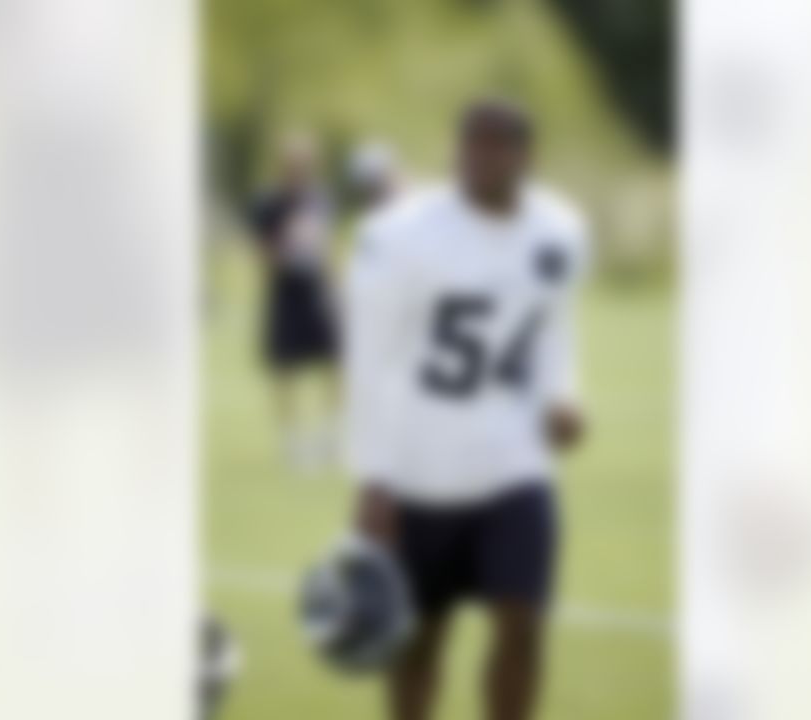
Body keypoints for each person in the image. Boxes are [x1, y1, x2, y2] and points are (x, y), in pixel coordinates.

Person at [343, 99, 589, 720]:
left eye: (495, 144)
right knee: (418, 644)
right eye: (468, 144)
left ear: (525, 155)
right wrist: (373, 477)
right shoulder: (400, 232)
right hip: (419, 474)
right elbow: (368, 359)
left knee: (524, 627)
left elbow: (554, 326)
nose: (477, 157)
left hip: (513, 468)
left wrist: (562, 396)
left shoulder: (560, 229)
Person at [249, 135, 340, 470]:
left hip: (316, 291)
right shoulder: (269, 203)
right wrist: (286, 254)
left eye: (306, 163)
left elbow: (326, 243)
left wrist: (333, 280)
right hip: (285, 293)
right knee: (284, 368)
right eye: (295, 163)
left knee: (335, 361)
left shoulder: (319, 199)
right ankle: (293, 442)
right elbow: (261, 250)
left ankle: (330, 435)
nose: (300, 169)